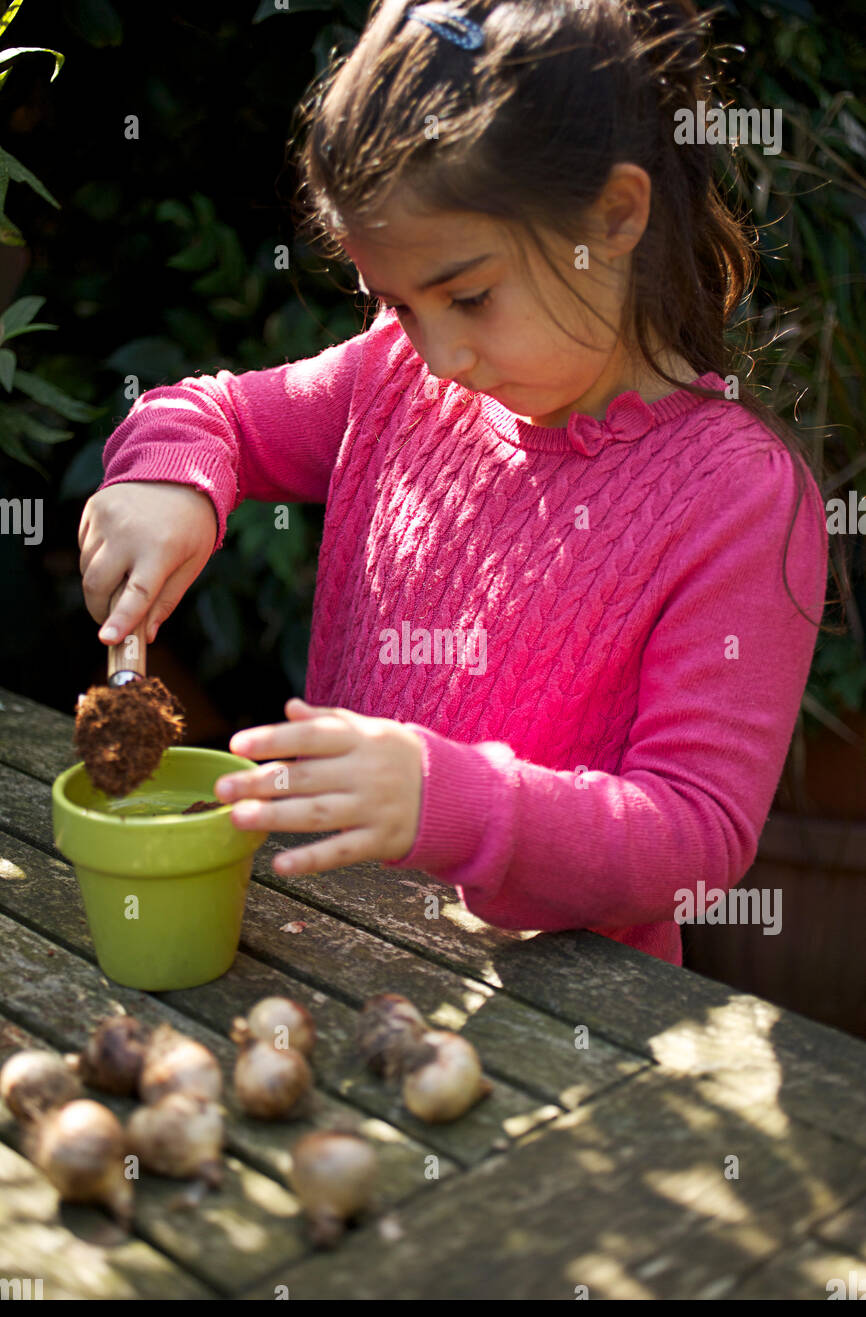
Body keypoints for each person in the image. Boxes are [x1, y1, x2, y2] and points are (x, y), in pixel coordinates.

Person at [77, 0, 833, 966]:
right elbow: (211, 413)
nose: (435, 352)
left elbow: (693, 836)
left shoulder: (740, 498)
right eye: (395, 302)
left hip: (555, 1030)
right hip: (336, 966)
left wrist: (451, 803)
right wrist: (169, 482)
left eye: (469, 296)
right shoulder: (391, 377)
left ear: (614, 214)